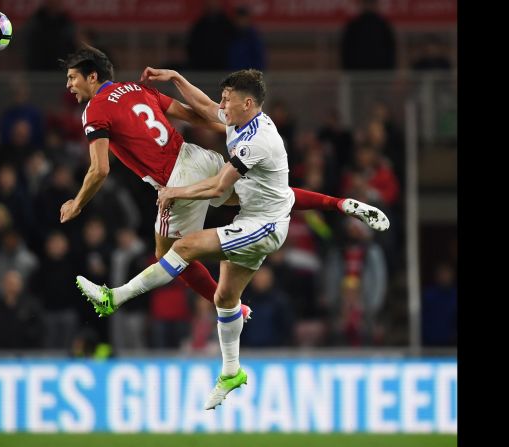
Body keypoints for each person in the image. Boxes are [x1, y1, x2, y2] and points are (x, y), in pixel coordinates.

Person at [77, 68, 387, 410]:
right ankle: (231, 372)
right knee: (225, 297)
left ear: (248, 103)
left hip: (265, 225)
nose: (222, 104)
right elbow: (206, 108)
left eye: (228, 99)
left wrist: (173, 192)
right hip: (259, 211)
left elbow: (217, 188)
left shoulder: (257, 141)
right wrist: (176, 78)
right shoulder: (241, 118)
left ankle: (114, 298)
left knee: (185, 247)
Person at [59, 47, 389, 322]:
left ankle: (221, 307)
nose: (69, 85)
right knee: (263, 195)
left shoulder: (94, 110)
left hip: (175, 177)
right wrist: (223, 122)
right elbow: (194, 113)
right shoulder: (137, 89)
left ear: (92, 77)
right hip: (197, 157)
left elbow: (99, 169)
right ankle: (340, 203)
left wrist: (77, 203)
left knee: (169, 254)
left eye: (73, 78)